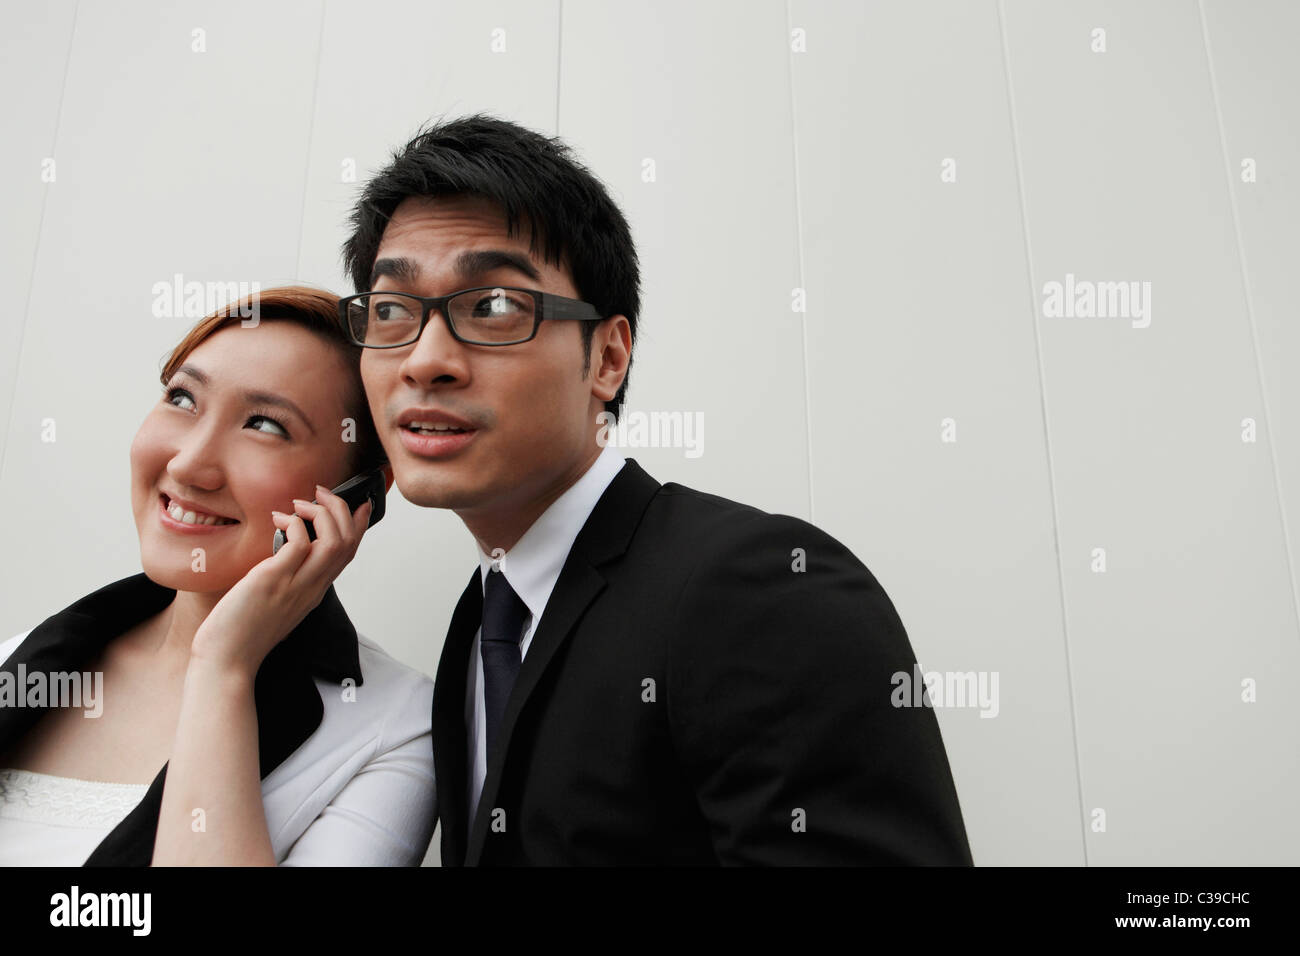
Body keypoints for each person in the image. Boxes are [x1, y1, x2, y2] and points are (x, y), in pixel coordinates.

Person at [341, 114, 975, 865]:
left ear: (606, 358)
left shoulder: (761, 587)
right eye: (390, 311)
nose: (425, 360)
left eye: (495, 307)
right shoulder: (476, 632)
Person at [0, 286, 436, 866]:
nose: (187, 465)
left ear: (359, 497)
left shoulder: (394, 726)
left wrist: (224, 668)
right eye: (182, 399)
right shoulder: (23, 658)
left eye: (265, 425)